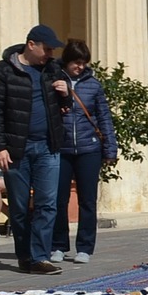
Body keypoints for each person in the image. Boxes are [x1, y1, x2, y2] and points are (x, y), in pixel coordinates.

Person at [0, 24, 66, 275]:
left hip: (48, 147)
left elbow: (64, 106)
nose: (50, 54)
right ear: (31, 45)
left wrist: (66, 93)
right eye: (47, 49)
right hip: (16, 149)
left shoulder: (52, 69)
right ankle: (25, 256)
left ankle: (40, 257)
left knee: (47, 204)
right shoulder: (3, 71)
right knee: (19, 207)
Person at [50, 40, 117, 266]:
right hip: (62, 148)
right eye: (75, 63)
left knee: (87, 200)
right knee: (59, 199)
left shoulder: (93, 85)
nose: (79, 67)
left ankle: (85, 247)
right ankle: (58, 245)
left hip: (89, 149)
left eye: (83, 63)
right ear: (66, 61)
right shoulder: (53, 81)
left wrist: (110, 148)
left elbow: (104, 117)